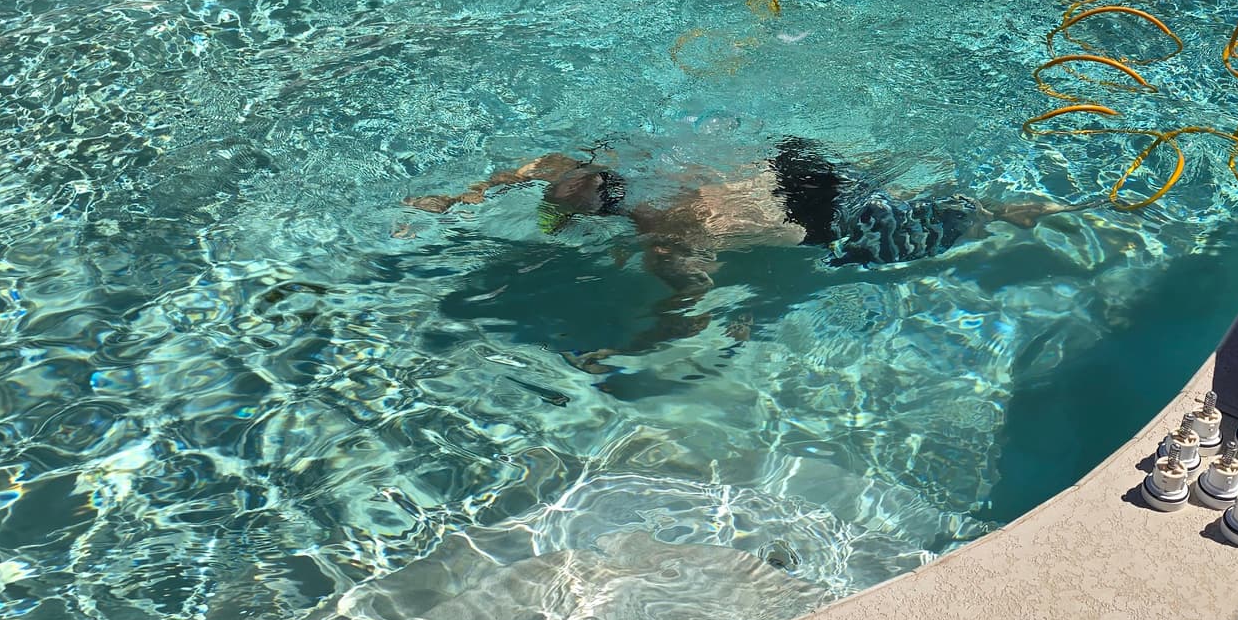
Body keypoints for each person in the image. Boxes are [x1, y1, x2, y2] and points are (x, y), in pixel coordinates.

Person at [402, 137, 1070, 365]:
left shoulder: (669, 237)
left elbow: (687, 311)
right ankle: (983, 199)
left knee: (944, 224)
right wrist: (460, 197)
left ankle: (1012, 211)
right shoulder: (634, 161)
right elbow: (544, 168)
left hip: (828, 219)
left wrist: (622, 351)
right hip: (793, 162)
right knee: (900, 186)